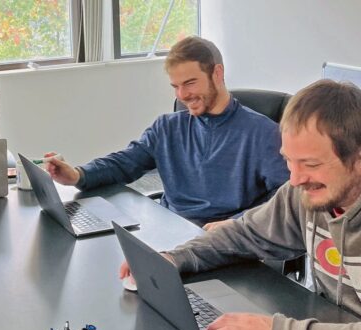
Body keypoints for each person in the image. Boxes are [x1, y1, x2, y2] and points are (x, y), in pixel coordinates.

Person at [121, 79, 361, 330]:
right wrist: (175, 258)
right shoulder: (303, 191)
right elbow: (246, 234)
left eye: (311, 164)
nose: (296, 179)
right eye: (289, 161)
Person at [45, 36, 289, 229]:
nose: (182, 96)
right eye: (176, 86)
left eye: (190, 83)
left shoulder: (263, 134)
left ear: (218, 73)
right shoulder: (167, 127)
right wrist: (77, 175)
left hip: (220, 239)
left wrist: (237, 223)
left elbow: (286, 198)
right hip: (167, 229)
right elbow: (124, 163)